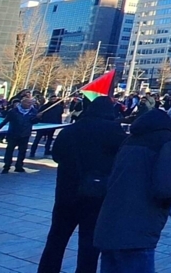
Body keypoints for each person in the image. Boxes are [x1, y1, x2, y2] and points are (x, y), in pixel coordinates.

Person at [94, 103, 171, 273]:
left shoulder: (133, 137)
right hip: (139, 226)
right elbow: (166, 188)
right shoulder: (168, 141)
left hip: (111, 221)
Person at [37, 96, 127, 273]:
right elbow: (122, 158)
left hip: (67, 192)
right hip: (97, 195)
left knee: (56, 239)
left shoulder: (70, 129)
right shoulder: (114, 131)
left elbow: (56, 155)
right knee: (89, 244)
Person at [0, 95, 39, 173]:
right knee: (9, 150)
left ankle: (19, 166)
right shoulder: (13, 111)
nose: (29, 104)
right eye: (27, 102)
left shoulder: (33, 112)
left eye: (30, 103)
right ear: (22, 103)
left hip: (25, 135)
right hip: (13, 134)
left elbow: (34, 122)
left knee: (22, 151)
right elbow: (5, 122)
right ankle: (7, 166)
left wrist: (38, 118)